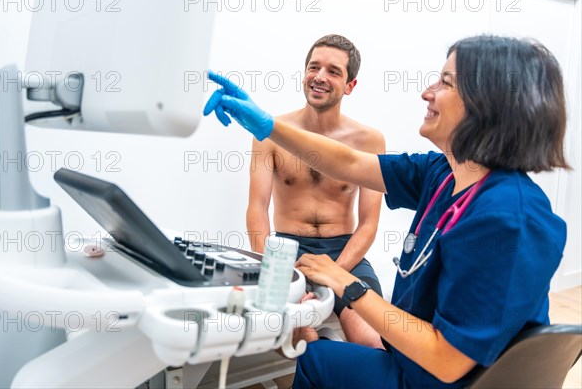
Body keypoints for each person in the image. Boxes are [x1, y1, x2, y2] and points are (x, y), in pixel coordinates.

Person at [204, 35, 569, 388]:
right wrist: (267, 125)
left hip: (447, 379)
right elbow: (347, 162)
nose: (427, 93)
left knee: (315, 359)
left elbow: (448, 360)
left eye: (445, 83)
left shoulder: (510, 220)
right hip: (418, 362)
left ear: (488, 103)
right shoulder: (442, 173)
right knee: (320, 353)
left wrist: (348, 285)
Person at [246, 34, 385, 347]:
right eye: (314, 67)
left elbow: (369, 223)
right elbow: (257, 208)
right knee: (298, 340)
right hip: (287, 251)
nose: (320, 77)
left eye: (334, 71)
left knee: (371, 340)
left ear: (350, 85)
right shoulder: (270, 133)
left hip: (345, 252)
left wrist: (332, 273)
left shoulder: (369, 141)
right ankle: (318, 351)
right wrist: (269, 269)